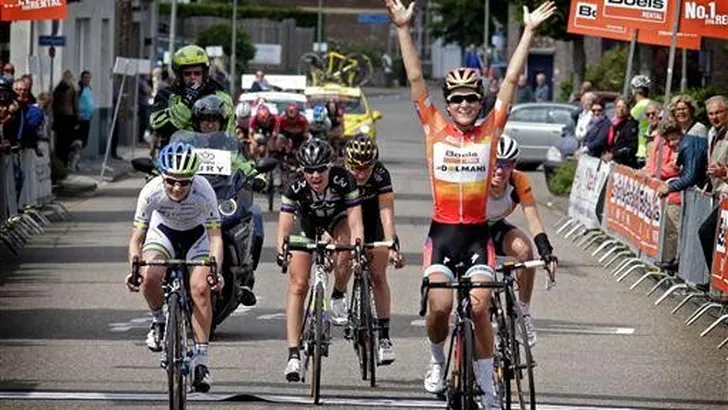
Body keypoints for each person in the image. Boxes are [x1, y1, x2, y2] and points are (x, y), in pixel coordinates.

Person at [386, 0, 555, 407]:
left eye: (471, 99)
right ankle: (435, 359)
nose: (464, 105)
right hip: (442, 234)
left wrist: (529, 32)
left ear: (480, 101)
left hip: (479, 236)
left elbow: (512, 81)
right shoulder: (434, 128)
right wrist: (404, 29)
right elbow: (413, 78)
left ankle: (489, 387)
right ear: (447, 102)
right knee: (440, 307)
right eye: (457, 99)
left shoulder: (489, 133)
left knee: (481, 308)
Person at [126, 142, 224, 393]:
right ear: (162, 176)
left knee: (201, 288)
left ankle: (201, 361)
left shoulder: (205, 191)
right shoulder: (150, 192)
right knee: (151, 275)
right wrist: (135, 269)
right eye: (171, 181)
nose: (177, 188)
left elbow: (215, 237)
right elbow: (137, 239)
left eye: (184, 182)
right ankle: (159, 320)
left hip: (196, 237)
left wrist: (216, 271)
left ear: (193, 179)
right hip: (163, 235)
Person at [276, 138, 364, 381]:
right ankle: (293, 355)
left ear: (330, 166)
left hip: (337, 220)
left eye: (320, 169)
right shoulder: (294, 186)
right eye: (309, 170)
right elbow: (285, 223)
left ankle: (337, 293)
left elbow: (355, 219)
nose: (315, 176)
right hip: (306, 225)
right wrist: (282, 249)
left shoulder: (344, 179)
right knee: (298, 284)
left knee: (345, 249)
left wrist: (357, 247)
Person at [190, 95, 266, 305]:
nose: (209, 124)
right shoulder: (187, 145)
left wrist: (256, 175)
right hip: (193, 200)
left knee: (255, 215)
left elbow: (242, 163)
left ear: (221, 123)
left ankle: (246, 274)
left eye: (214, 120)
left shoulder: (231, 146)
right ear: (197, 122)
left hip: (222, 195)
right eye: (205, 120)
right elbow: (171, 161)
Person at [487, 135, 557, 348]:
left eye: (506, 165)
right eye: (495, 163)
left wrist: (546, 251)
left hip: (497, 227)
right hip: (472, 230)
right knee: (485, 272)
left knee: (525, 251)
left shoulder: (519, 181)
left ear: (513, 166)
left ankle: (523, 313)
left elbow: (532, 217)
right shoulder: (476, 179)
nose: (500, 170)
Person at [343, 134, 405, 365]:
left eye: (365, 168)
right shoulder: (340, 175)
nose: (360, 173)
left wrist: (391, 244)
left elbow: (386, 212)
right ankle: (340, 297)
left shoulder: (380, 175)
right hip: (346, 221)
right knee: (345, 258)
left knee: (378, 276)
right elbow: (334, 213)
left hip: (374, 221)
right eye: (355, 168)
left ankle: (385, 338)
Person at [149, 45, 235, 151]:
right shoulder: (165, 95)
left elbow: (229, 134)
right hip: (175, 157)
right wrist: (187, 102)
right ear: (179, 75)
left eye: (197, 73)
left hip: (213, 157)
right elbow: (159, 127)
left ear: (205, 74)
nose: (193, 77)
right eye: (187, 74)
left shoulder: (221, 96)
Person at [698, 95, 728, 271]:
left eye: (719, 112)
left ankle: (717, 281)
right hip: (719, 195)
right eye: (710, 114)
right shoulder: (714, 133)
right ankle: (718, 281)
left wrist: (724, 172)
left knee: (707, 233)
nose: (714, 117)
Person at [52, 70, 79, 166]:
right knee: (67, 142)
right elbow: (75, 105)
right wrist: (76, 120)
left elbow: (54, 105)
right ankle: (65, 162)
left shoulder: (57, 88)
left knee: (59, 141)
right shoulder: (72, 89)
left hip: (59, 117)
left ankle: (60, 161)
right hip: (69, 118)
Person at [603, 97, 639, 168]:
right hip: (611, 161)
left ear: (628, 109)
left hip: (624, 163)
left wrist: (613, 155)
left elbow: (631, 147)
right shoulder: (613, 124)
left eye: (623, 107)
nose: (621, 110)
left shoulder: (631, 125)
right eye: (618, 107)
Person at [629, 74, 654, 167]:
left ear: (634, 91)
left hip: (641, 149)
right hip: (648, 149)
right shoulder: (652, 104)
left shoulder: (638, 107)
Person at [77, 71, 95, 151]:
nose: (87, 79)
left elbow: (90, 101)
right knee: (78, 141)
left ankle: (78, 157)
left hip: (87, 118)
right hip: (80, 118)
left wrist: (91, 112)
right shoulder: (79, 89)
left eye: (88, 78)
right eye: (85, 78)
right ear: (82, 78)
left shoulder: (89, 88)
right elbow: (76, 102)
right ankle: (75, 159)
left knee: (84, 141)